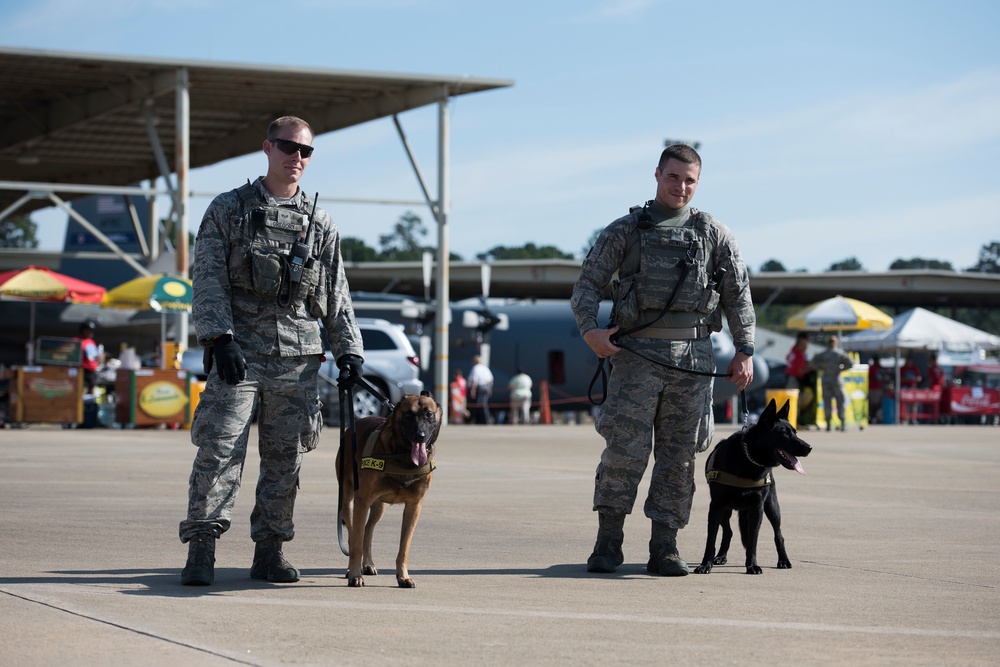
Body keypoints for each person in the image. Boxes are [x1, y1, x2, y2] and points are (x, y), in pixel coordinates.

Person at [179, 115, 365, 586]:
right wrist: (219, 338)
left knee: (286, 458)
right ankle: (202, 548)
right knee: (219, 450)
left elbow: (335, 293)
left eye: (305, 151)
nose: (296, 157)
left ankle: (270, 550)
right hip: (238, 355)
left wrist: (349, 352)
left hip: (297, 361)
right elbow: (207, 277)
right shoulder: (230, 209)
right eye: (287, 147)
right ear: (267, 147)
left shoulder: (319, 223)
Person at [570, 144, 755, 577]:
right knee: (624, 451)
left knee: (680, 457)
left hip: (692, 359)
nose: (681, 187)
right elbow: (586, 287)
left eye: (690, 180)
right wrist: (590, 332)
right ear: (657, 175)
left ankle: (665, 546)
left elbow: (737, 294)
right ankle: (607, 543)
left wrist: (745, 348)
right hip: (635, 356)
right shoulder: (626, 231)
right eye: (674, 177)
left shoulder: (714, 233)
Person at [811, 335, 854, 431]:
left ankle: (828, 424)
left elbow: (813, 363)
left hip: (826, 379)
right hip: (836, 380)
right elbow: (851, 363)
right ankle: (842, 423)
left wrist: (822, 368)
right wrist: (841, 368)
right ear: (836, 343)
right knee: (840, 401)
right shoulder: (839, 353)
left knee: (827, 402)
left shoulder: (823, 354)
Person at [76, 321, 102, 395]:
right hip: (83, 371)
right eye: (88, 330)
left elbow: (93, 356)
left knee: (92, 392)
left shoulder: (91, 342)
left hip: (92, 372)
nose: (91, 332)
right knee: (82, 391)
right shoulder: (77, 341)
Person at [467, 355, 494, 424]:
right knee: (483, 404)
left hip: (479, 389)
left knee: (480, 405)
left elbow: (475, 381)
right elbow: (491, 380)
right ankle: (483, 419)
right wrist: (490, 389)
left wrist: (473, 390)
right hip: (485, 388)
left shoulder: (475, 368)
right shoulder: (485, 368)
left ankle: (483, 420)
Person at [900, 353, 922, 424]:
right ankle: (905, 419)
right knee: (905, 404)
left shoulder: (915, 368)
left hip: (913, 388)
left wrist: (915, 379)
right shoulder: (903, 368)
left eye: (910, 361)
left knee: (914, 404)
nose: (909, 362)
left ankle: (913, 419)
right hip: (905, 388)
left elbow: (919, 378)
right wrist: (906, 379)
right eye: (908, 361)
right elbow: (899, 378)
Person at [868, 354, 885, 424]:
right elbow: (870, 377)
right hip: (873, 388)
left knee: (877, 404)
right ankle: (872, 417)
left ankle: (875, 417)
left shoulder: (879, 368)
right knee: (873, 404)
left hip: (878, 388)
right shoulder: (871, 368)